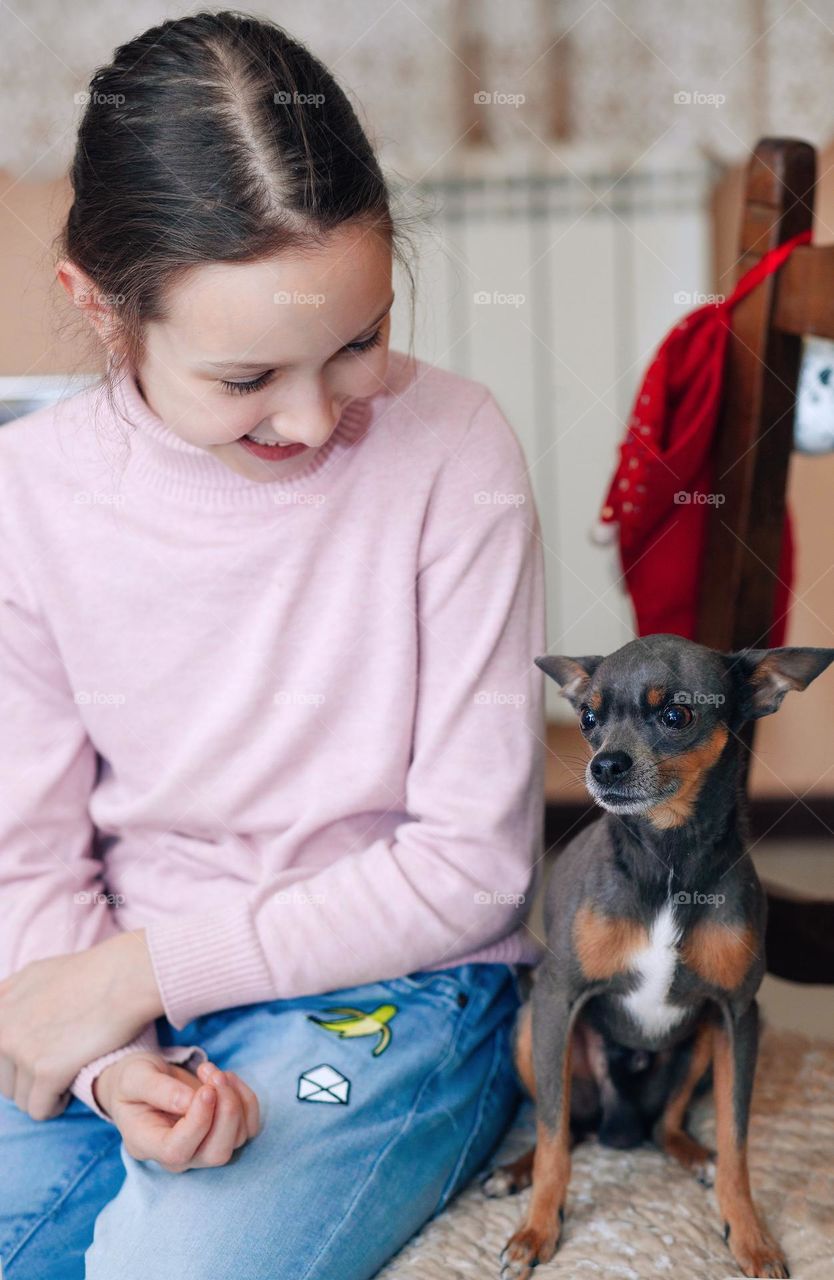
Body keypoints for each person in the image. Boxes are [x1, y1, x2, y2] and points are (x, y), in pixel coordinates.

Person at [0, 11, 546, 1278]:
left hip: (405, 984)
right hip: (117, 978)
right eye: (246, 379)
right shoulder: (29, 495)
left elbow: (473, 867)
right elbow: (26, 850)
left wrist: (143, 970)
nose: (310, 418)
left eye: (357, 342)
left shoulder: (456, 451)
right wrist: (110, 1057)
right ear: (100, 308)